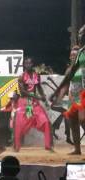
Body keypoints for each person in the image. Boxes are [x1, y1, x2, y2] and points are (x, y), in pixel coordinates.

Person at [51, 24, 85, 155]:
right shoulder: (81, 53)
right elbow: (69, 76)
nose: (80, 37)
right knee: (73, 120)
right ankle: (77, 149)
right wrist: (56, 93)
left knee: (83, 120)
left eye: (83, 34)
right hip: (74, 96)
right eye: (80, 34)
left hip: (83, 94)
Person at [13, 57, 53, 152]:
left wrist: (43, 97)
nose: (28, 65)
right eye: (26, 63)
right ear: (24, 65)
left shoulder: (36, 75)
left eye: (30, 63)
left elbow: (39, 88)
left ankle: (48, 146)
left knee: (46, 122)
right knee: (21, 124)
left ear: (33, 64)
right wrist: (38, 97)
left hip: (34, 103)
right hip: (25, 103)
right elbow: (22, 93)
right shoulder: (21, 77)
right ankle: (16, 146)